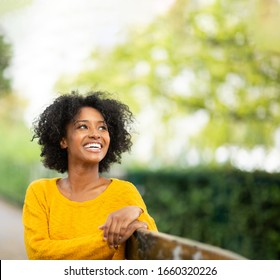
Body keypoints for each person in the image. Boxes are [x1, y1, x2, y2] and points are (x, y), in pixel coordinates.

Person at [22, 91, 157, 260]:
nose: (96, 134)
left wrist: (136, 210)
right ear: (63, 140)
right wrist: (109, 240)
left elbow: (154, 252)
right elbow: (39, 255)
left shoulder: (125, 192)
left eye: (102, 127)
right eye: (83, 126)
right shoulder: (40, 192)